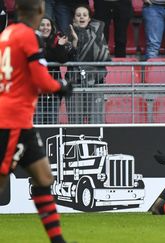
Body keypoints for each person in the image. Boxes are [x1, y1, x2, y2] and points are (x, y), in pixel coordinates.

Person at [0, 0, 73, 242]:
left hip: (19, 120)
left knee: (44, 177)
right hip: (11, 121)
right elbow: (41, 80)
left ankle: (57, 240)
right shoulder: (29, 37)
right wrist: (61, 86)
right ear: (41, 11)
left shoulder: (7, 33)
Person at [66, 4, 111, 124]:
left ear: (89, 19)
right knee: (75, 123)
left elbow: (103, 56)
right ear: (74, 18)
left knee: (95, 122)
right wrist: (75, 42)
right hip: (75, 82)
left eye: (84, 15)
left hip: (96, 82)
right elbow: (65, 57)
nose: (81, 17)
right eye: (78, 15)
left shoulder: (98, 33)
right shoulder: (69, 34)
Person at [34, 17, 74, 125]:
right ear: (38, 26)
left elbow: (62, 60)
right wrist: (55, 51)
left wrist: (60, 46)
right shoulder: (32, 39)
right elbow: (43, 56)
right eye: (42, 25)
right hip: (36, 89)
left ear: (52, 28)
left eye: (48, 25)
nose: (45, 28)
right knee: (37, 122)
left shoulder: (57, 40)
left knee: (52, 122)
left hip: (53, 89)